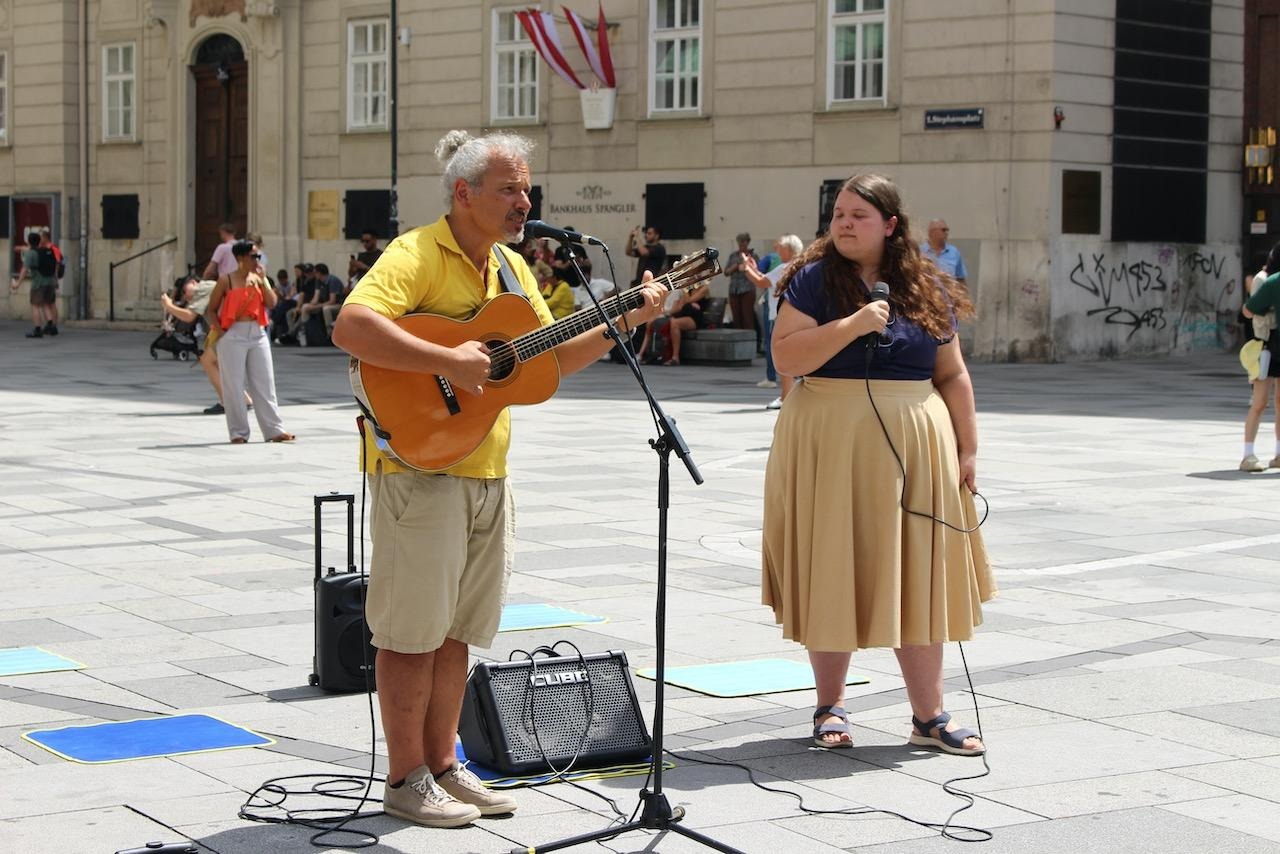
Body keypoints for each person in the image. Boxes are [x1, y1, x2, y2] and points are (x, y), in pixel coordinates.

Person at [330, 129, 665, 829]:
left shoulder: (512, 269)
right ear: (464, 193)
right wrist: (446, 360)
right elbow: (352, 327)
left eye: (527, 190)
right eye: (510, 189)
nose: (525, 202)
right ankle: (404, 778)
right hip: (419, 466)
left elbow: (546, 360)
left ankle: (444, 766)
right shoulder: (416, 253)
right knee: (411, 632)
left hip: (486, 467)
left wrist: (623, 321)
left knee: (458, 631)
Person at [764, 174, 993, 754]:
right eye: (838, 214)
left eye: (858, 215)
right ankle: (829, 706)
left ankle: (929, 717)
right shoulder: (813, 280)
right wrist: (853, 325)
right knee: (832, 566)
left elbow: (952, 373)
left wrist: (967, 449)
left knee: (917, 574)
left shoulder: (924, 284)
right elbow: (786, 356)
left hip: (916, 447)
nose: (844, 224)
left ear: (890, 225)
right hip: (830, 441)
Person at [204, 240, 294, 444]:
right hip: (233, 333)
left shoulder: (258, 279)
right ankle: (238, 432)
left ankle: (274, 430)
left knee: (265, 383)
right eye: (254, 256)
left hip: (257, 332)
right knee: (233, 385)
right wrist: (221, 331)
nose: (257, 260)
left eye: (258, 256)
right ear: (240, 258)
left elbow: (271, 303)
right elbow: (212, 309)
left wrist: (263, 281)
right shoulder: (226, 280)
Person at [742, 234, 804, 407]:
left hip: (780, 316)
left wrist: (746, 267)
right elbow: (768, 279)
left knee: (782, 356)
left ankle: (785, 396)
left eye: (781, 248)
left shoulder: (784, 267)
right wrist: (754, 268)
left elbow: (761, 282)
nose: (778, 251)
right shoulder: (799, 266)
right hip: (797, 315)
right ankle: (790, 395)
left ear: (789, 250)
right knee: (792, 356)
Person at [1239, 241, 1280, 471]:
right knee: (1261, 401)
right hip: (1266, 345)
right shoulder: (1267, 280)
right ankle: (1248, 454)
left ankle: (1273, 454)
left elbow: (1248, 310)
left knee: (1268, 402)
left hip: (1272, 345)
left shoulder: (1271, 280)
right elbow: (1249, 309)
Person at [10, 232, 59, 338]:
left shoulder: (31, 254)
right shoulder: (46, 251)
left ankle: (37, 329)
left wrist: (17, 283)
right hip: (50, 282)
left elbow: (24, 270)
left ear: (28, 241)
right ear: (39, 241)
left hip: (39, 283)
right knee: (46, 303)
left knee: (35, 305)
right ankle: (51, 326)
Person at [724, 232, 759, 334]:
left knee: (747, 317)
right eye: (739, 242)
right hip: (734, 289)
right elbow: (726, 272)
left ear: (748, 242)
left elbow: (758, 271)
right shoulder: (733, 256)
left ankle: (750, 341)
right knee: (736, 318)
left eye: (744, 242)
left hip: (747, 289)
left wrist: (746, 267)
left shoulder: (753, 255)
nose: (741, 244)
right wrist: (736, 266)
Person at [920, 219, 968, 285]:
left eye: (947, 230)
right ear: (931, 232)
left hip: (949, 291)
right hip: (927, 291)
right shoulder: (919, 252)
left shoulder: (954, 252)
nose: (946, 233)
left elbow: (961, 279)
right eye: (943, 230)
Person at [39, 228, 63, 335]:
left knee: (51, 303)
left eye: (41, 237)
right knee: (47, 303)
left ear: (45, 238)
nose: (39, 239)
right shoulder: (43, 249)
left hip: (51, 279)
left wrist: (55, 278)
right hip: (47, 279)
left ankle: (54, 325)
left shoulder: (54, 249)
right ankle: (49, 324)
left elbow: (57, 263)